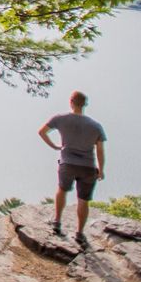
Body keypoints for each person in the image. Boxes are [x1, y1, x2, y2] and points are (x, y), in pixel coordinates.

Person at [38, 90, 106, 247]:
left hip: (67, 163)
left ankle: (57, 222)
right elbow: (100, 150)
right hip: (88, 166)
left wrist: (55, 146)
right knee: (83, 200)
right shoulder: (96, 126)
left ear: (71, 101)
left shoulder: (61, 119)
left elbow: (41, 132)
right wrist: (101, 170)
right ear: (85, 104)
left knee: (62, 190)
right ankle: (80, 233)